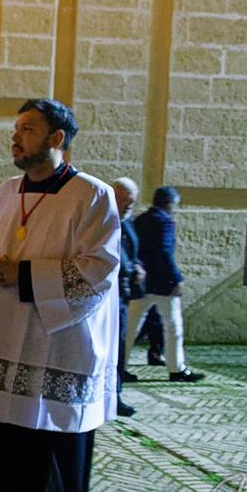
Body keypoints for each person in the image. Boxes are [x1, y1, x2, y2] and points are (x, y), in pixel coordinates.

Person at [0, 99, 120, 492]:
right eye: (16, 128)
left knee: (42, 469)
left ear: (57, 139)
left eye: (28, 128)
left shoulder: (92, 195)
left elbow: (100, 268)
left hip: (55, 348)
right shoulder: (4, 192)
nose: (16, 136)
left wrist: (26, 276)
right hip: (1, 341)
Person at [126, 186, 204, 382]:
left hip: (142, 283)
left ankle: (120, 366)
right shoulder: (165, 222)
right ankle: (176, 369)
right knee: (173, 327)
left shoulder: (140, 220)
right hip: (163, 285)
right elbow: (165, 252)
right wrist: (176, 278)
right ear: (170, 204)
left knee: (130, 328)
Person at [112, 177, 142, 417]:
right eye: (122, 201)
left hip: (123, 295)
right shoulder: (103, 221)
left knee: (120, 348)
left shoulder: (128, 223)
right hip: (107, 295)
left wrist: (136, 267)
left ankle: (115, 395)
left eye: (130, 202)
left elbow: (131, 252)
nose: (126, 206)